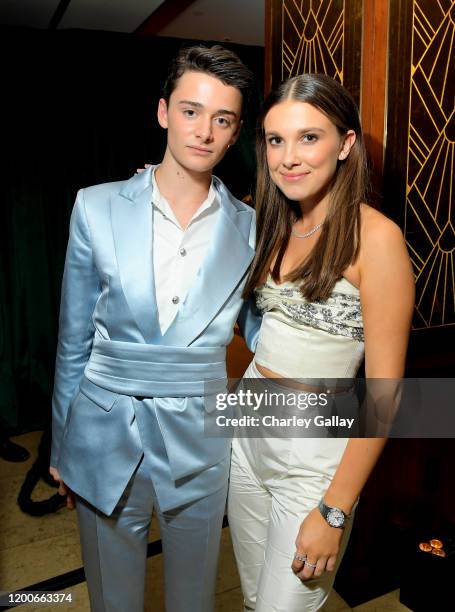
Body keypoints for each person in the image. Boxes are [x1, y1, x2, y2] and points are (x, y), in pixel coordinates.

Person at [49, 45, 261, 612]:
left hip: (201, 439)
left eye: (223, 119)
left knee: (193, 599)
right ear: (164, 112)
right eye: (191, 111)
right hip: (102, 434)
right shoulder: (95, 208)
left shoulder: (255, 230)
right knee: (111, 600)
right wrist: (63, 444)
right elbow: (73, 340)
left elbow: (266, 340)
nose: (204, 132)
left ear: (237, 131)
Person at [227, 74, 415, 611]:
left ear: (346, 144)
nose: (289, 157)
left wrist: (335, 509)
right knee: (252, 599)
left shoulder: (376, 239)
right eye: (275, 139)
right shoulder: (274, 221)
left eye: (310, 137)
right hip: (249, 427)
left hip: (313, 450)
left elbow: (385, 393)